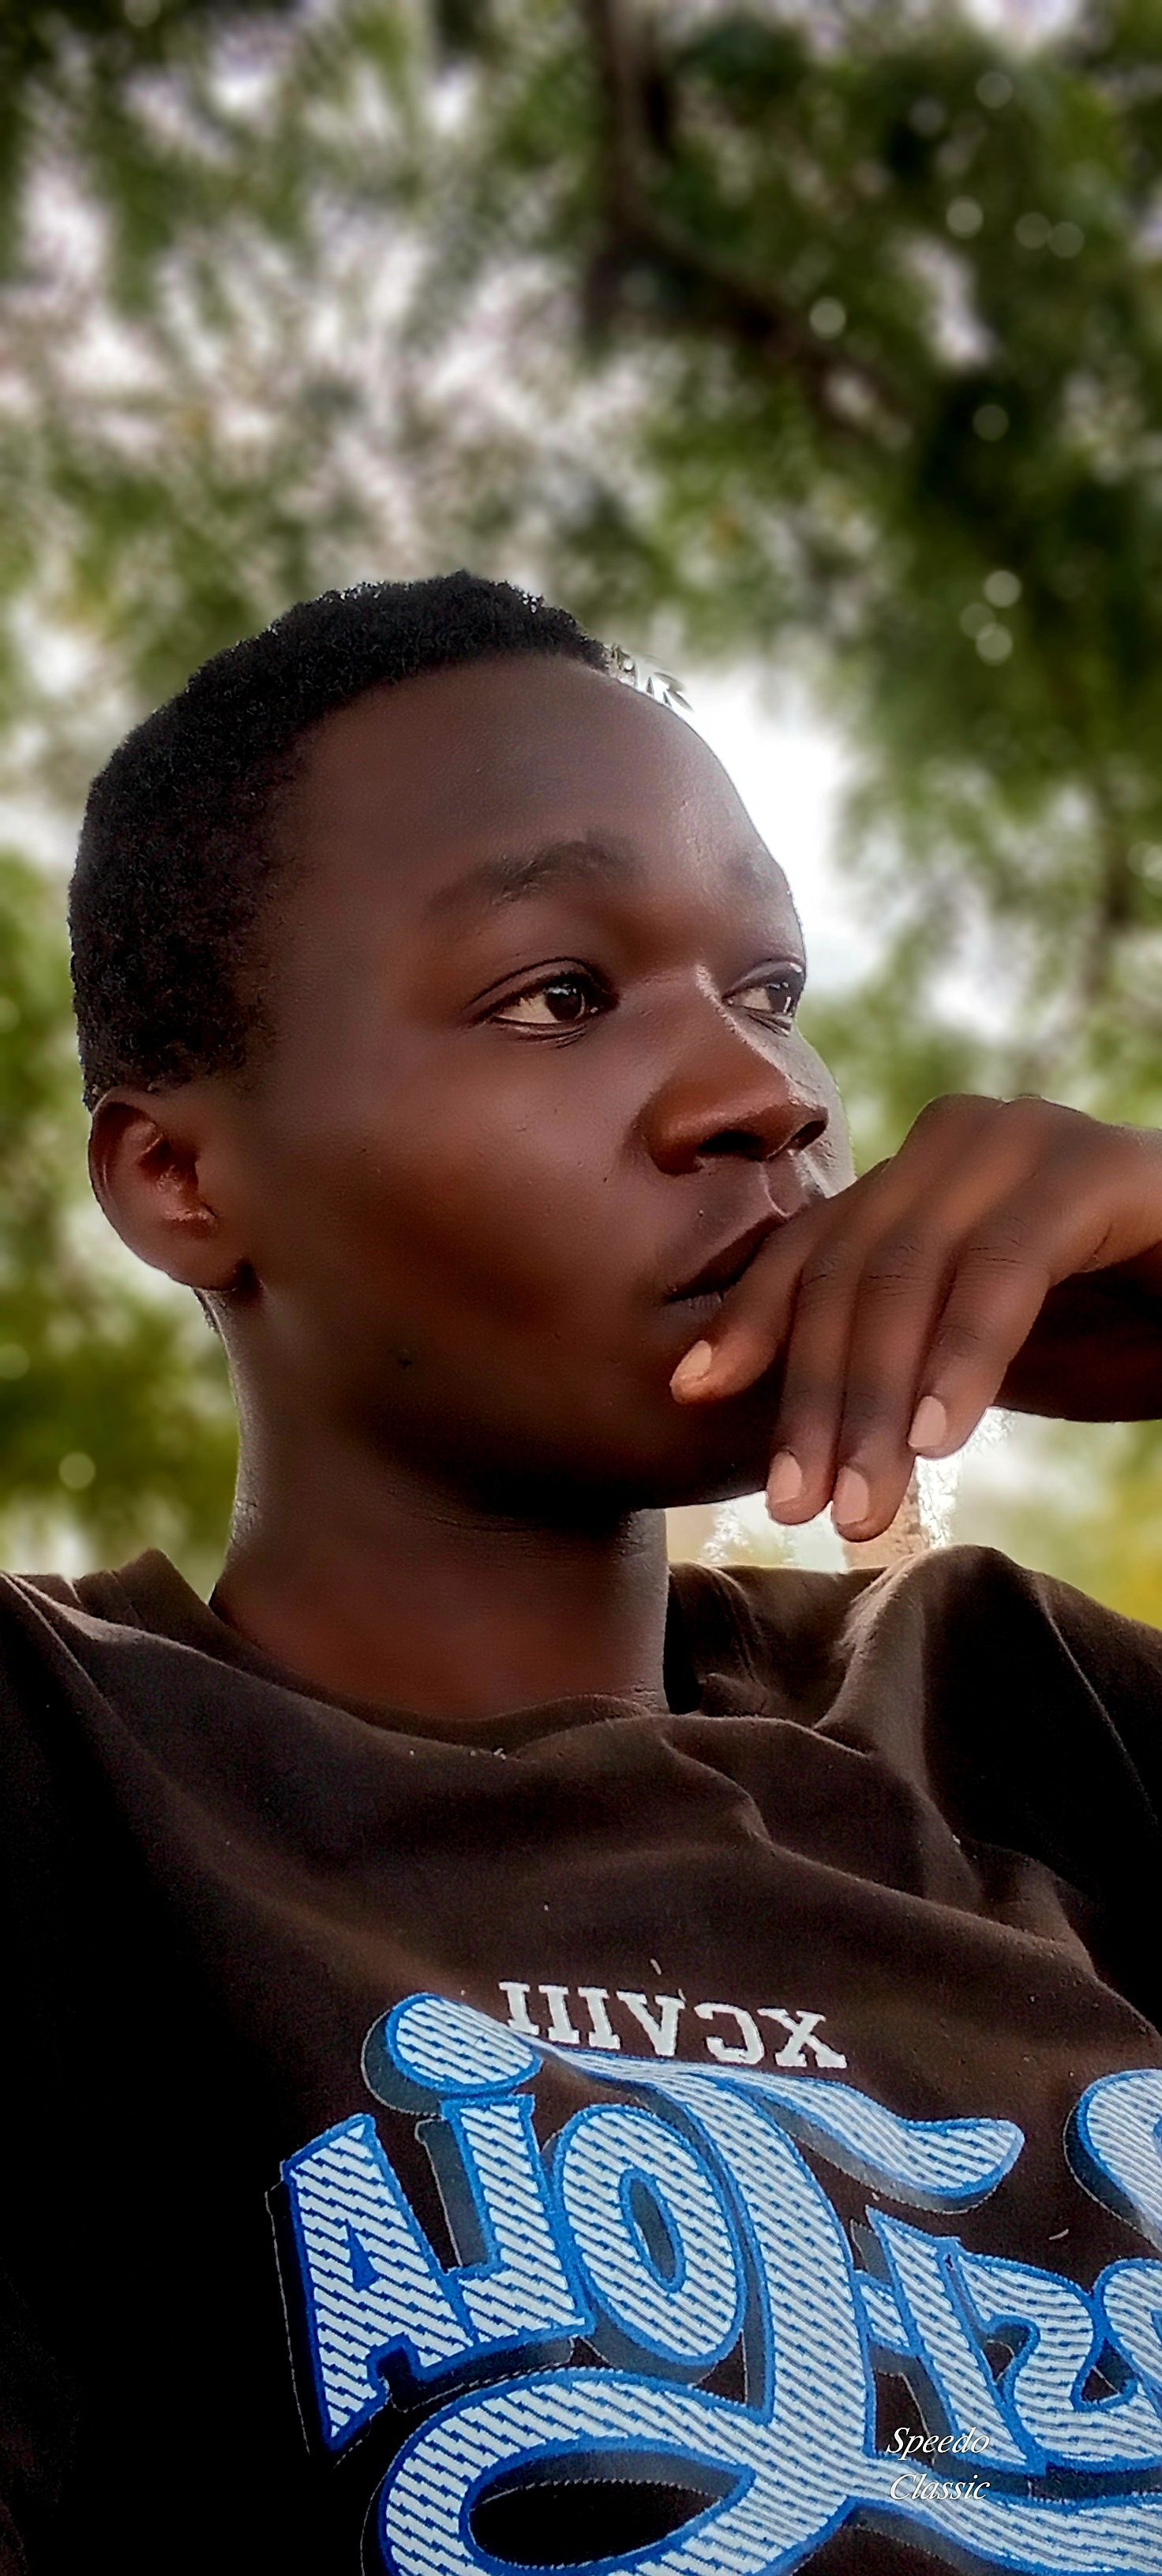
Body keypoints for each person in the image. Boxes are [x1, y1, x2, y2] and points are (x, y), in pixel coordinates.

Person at [2, 571, 1160, 2576]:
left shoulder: (1024, 1717)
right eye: (559, 995)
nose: (766, 1097)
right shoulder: (68, 1775)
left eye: (768, 991)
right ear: (182, 1180)